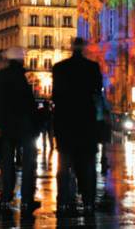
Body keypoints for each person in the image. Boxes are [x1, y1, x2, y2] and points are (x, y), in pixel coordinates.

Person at [52, 37, 103, 215]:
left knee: (64, 164)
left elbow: (55, 96)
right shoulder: (92, 68)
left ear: (71, 48)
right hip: (86, 122)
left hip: (65, 122)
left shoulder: (59, 68)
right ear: (85, 48)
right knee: (88, 164)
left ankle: (63, 201)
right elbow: (97, 92)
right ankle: (88, 201)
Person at [0, 47, 41, 212]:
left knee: (7, 163)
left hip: (5, 126)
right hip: (24, 126)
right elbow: (28, 104)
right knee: (29, 163)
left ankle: (6, 195)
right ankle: (27, 198)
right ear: (21, 60)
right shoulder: (21, 78)